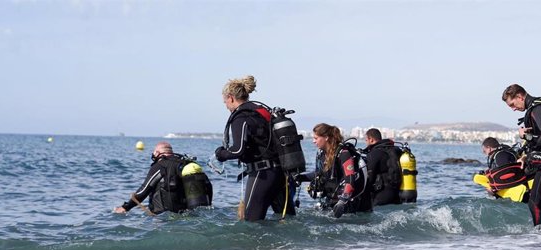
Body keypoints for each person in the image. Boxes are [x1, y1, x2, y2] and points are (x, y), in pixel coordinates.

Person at [214, 75, 295, 221]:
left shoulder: (240, 116)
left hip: (262, 174)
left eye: (225, 102)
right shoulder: (262, 111)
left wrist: (220, 154)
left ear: (231, 98)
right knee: (287, 219)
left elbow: (238, 150)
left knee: (252, 221)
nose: (226, 105)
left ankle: (255, 245)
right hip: (281, 172)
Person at [502, 84, 541, 227]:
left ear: (519, 96)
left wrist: (526, 135)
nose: (513, 108)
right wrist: (525, 155)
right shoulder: (537, 108)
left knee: (534, 203)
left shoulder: (538, 109)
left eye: (513, 104)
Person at [114, 142, 212, 215]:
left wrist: (125, 207)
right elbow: (208, 186)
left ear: (157, 153)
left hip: (164, 218)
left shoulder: (160, 166)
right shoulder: (184, 164)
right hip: (186, 215)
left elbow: (144, 190)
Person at [301, 123, 372, 217]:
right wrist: (300, 177)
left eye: (316, 138)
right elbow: (319, 174)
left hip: (351, 204)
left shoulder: (344, 154)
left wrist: (342, 201)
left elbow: (350, 180)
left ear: (326, 137)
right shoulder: (323, 155)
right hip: (332, 201)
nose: (313, 141)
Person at [362, 128, 402, 206]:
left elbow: (369, 177)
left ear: (371, 139)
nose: (366, 143)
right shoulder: (395, 150)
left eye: (366, 140)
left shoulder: (375, 153)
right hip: (398, 194)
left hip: (382, 196)